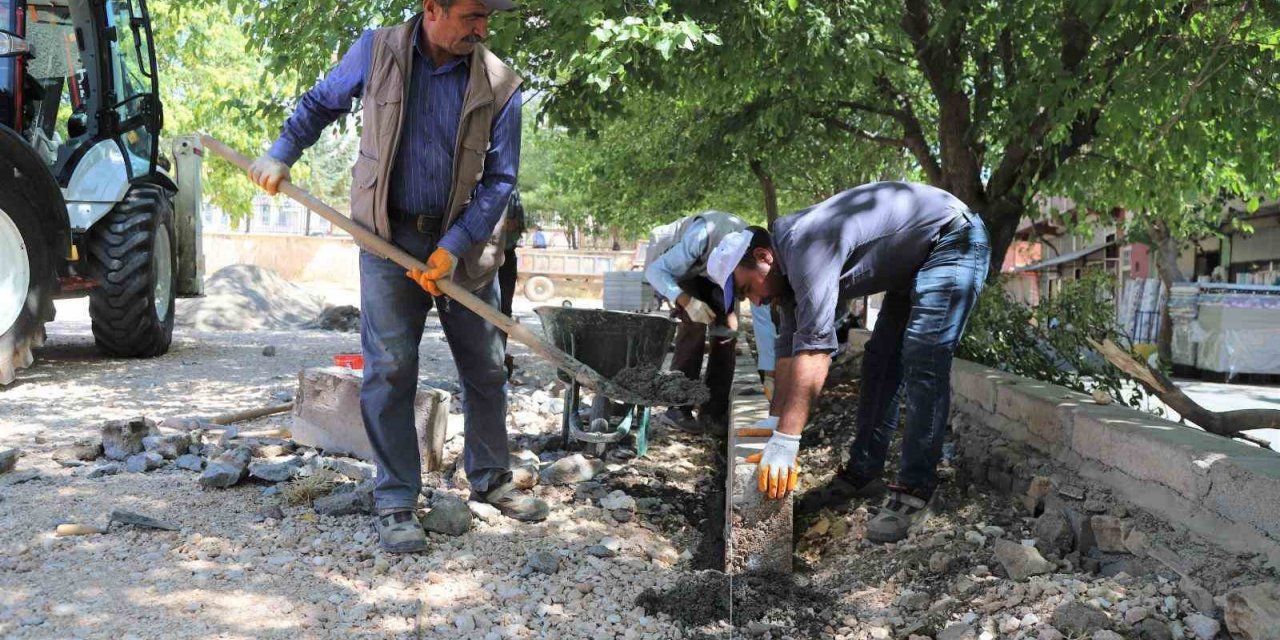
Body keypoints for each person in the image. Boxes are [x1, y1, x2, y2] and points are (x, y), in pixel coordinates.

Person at [248, 0, 548, 555]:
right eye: (472, 16)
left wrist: (453, 247)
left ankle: (489, 477)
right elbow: (319, 104)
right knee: (389, 368)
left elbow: (501, 180)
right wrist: (281, 152)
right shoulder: (377, 49)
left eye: (487, 19)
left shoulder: (501, 82)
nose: (482, 29)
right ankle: (395, 499)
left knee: (485, 366)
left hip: (468, 245)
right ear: (432, 7)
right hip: (386, 241)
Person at [707, 181, 989, 543]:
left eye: (748, 289)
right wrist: (773, 425)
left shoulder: (807, 246)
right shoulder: (785, 277)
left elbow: (816, 351)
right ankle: (863, 473)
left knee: (923, 353)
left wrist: (786, 442)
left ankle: (915, 488)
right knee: (880, 363)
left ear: (764, 257)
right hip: (913, 262)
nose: (756, 303)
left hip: (954, 240)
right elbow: (790, 351)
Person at [644, 211, 777, 434]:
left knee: (728, 331)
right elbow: (655, 271)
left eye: (740, 289)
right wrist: (686, 301)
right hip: (685, 272)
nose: (745, 295)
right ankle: (678, 407)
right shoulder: (699, 239)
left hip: (715, 275)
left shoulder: (750, 262)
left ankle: (714, 413)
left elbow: (762, 319)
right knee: (694, 324)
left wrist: (770, 373)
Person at [497, 188, 525, 379]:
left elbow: (517, 225)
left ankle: (498, 357)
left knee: (503, 312)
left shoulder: (511, 193)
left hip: (505, 257)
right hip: (479, 258)